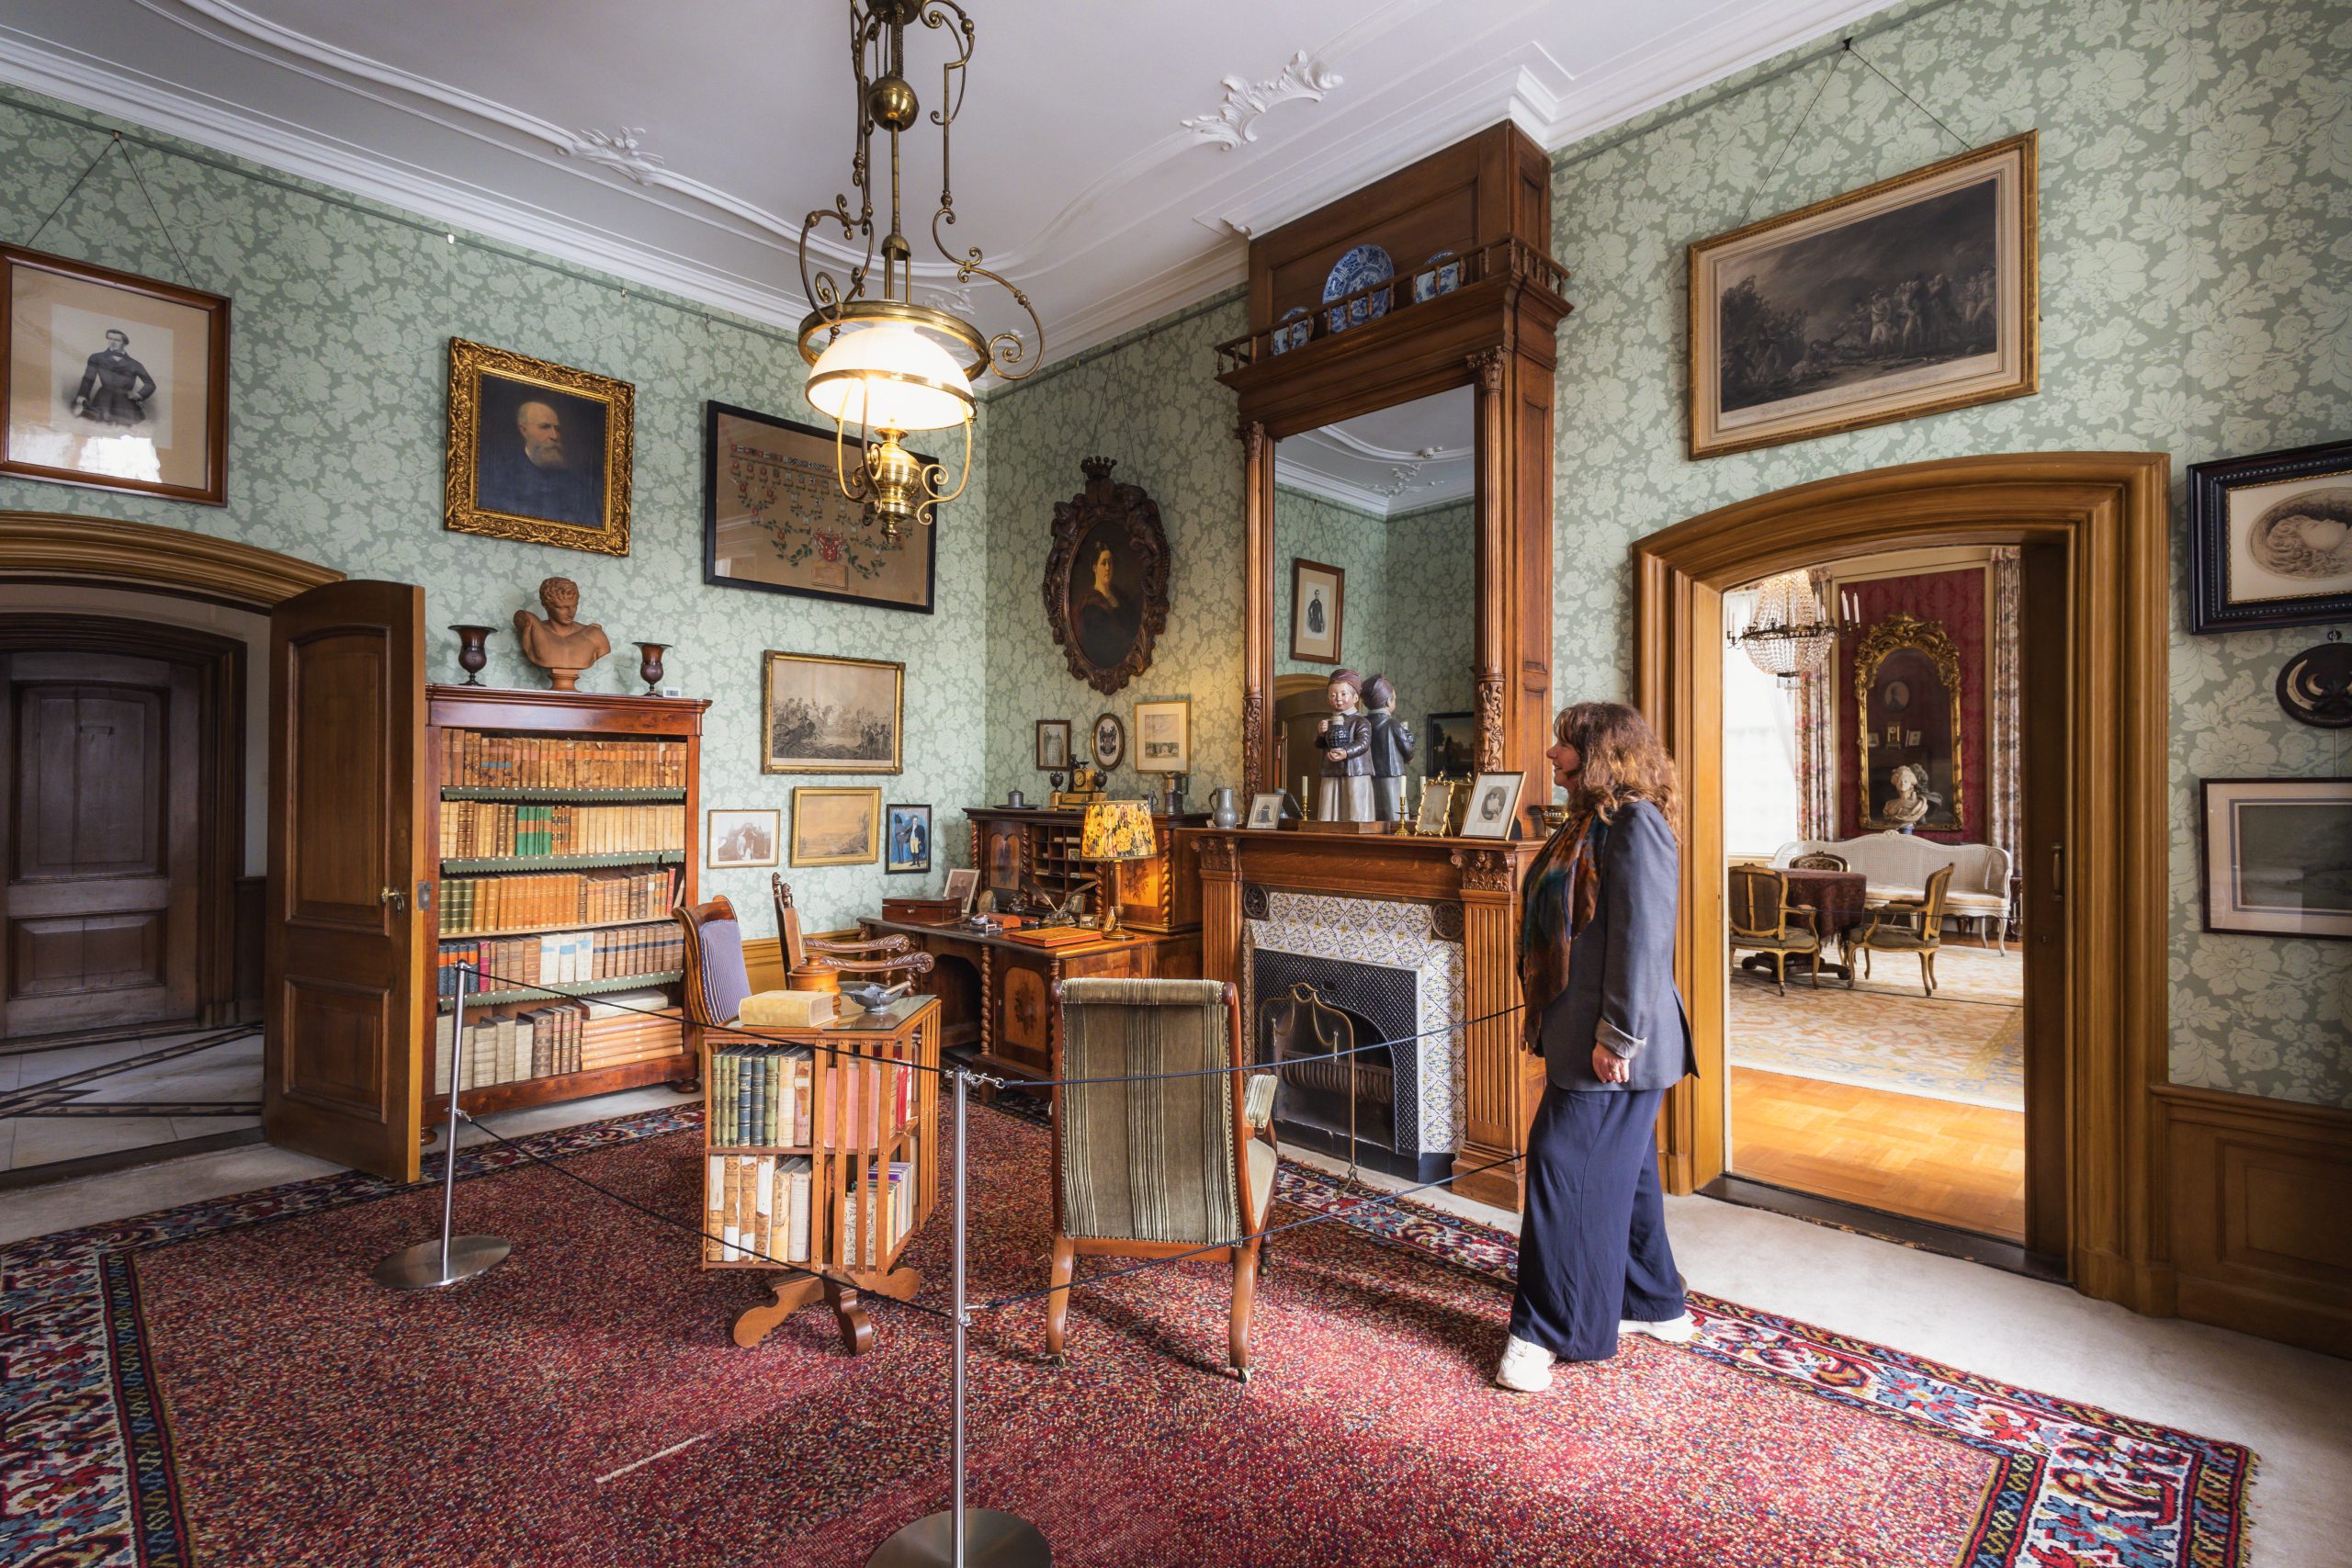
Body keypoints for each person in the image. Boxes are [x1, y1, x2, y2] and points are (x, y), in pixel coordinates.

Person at [1497, 700, 1698, 1393]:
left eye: (1564, 745)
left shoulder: (1637, 825)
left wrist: (1617, 1037)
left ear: (1601, 753)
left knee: (1559, 1165)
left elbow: (1644, 944)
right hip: (1585, 1037)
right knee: (1630, 1170)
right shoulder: (1586, 824)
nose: (1552, 755)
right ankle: (1653, 1301)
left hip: (1613, 1046)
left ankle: (1548, 1329)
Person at [477, 396, 603, 528]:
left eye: (557, 429)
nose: (554, 436)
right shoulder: (498, 476)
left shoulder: (578, 487)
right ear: (524, 430)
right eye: (545, 427)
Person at [1312, 668, 1374, 823]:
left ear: (1355, 697)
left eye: (1343, 694)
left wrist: (1346, 752)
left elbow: (1363, 743)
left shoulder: (1361, 721)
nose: (1338, 699)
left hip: (1355, 771)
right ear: (1328, 699)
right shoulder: (1328, 722)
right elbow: (1320, 745)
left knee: (1355, 808)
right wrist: (1320, 734)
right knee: (1329, 807)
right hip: (1331, 770)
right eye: (1333, 695)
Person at [71, 329, 156, 426]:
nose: (112, 342)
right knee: (101, 427)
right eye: (110, 339)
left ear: (124, 343)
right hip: (103, 399)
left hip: (125, 403)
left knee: (124, 431)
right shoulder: (96, 358)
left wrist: (139, 395)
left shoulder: (135, 364)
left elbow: (150, 384)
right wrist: (82, 395)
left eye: (117, 340)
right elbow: (88, 379)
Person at [1361, 673, 1415, 823]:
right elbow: (1407, 748)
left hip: (1368, 774)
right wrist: (1410, 756)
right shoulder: (1393, 724)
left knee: (1373, 810)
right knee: (1395, 811)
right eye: (1394, 698)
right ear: (1388, 701)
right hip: (1392, 772)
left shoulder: (1363, 723)